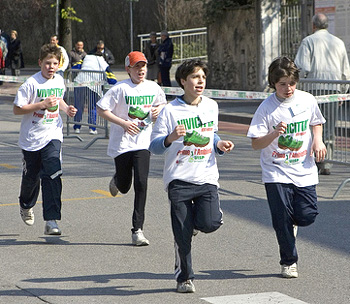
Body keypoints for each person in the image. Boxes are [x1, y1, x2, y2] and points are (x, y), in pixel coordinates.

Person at [149, 59, 234, 293]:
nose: (200, 82)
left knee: (210, 222)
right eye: (195, 77)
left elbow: (212, 135)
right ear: (183, 81)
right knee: (182, 235)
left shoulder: (211, 106)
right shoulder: (169, 111)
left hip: (206, 176)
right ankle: (184, 278)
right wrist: (171, 137)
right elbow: (154, 147)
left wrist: (220, 144)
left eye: (203, 78)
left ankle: (198, 223)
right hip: (178, 179)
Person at [247, 56, 327, 279]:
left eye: (291, 83)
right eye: (282, 84)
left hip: (304, 168)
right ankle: (288, 261)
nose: (288, 88)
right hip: (276, 170)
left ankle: (291, 223)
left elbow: (316, 122)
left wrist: (318, 140)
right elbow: (255, 143)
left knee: (306, 216)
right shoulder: (266, 109)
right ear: (274, 83)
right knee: (281, 218)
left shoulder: (307, 100)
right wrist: (274, 133)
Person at [96, 51, 167, 246]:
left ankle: (137, 230)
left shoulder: (153, 87)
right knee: (125, 186)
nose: (141, 70)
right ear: (128, 69)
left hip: (144, 143)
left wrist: (159, 109)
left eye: (143, 66)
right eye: (136, 67)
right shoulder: (120, 89)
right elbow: (101, 109)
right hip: (123, 144)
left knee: (142, 184)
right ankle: (117, 179)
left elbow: (162, 104)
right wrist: (123, 123)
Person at [13, 43, 77, 235]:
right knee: (31, 178)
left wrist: (67, 109)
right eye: (48, 63)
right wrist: (41, 104)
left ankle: (51, 219)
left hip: (53, 134)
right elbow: (17, 109)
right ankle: (26, 204)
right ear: (40, 62)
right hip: (32, 138)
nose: (51, 67)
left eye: (55, 63)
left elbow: (59, 100)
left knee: (53, 173)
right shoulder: (31, 84)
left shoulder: (58, 81)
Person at [294, 13, 350, 175]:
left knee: (312, 126)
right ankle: (327, 163)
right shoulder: (338, 42)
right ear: (327, 25)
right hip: (333, 89)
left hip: (313, 90)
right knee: (329, 128)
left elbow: (302, 67)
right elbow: (345, 72)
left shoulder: (308, 41)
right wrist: (342, 93)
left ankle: (314, 160)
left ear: (313, 25)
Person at [72, 52, 117, 135]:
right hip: (94, 85)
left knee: (78, 105)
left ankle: (77, 127)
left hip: (80, 82)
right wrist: (115, 84)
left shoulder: (85, 58)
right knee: (92, 107)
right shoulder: (102, 61)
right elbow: (109, 74)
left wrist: (72, 75)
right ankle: (92, 128)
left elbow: (75, 67)